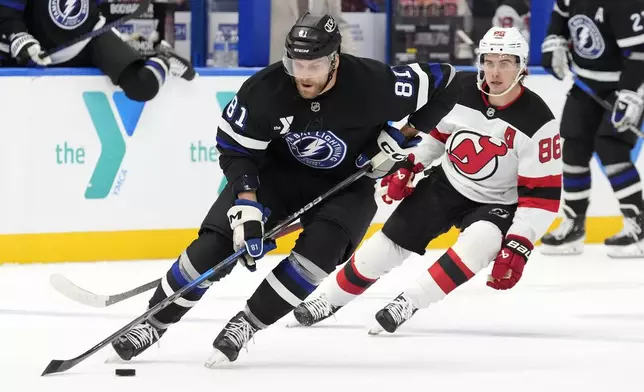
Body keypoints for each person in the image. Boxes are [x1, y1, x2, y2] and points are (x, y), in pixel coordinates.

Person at [109, 13, 460, 364]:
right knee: (212, 248)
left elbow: (449, 82)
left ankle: (247, 323)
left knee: (321, 252)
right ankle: (153, 323)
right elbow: (235, 148)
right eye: (296, 64)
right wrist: (247, 201)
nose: (303, 75)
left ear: (334, 59)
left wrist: (404, 136)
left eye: (315, 65)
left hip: (347, 185)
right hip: (276, 178)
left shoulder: (374, 83)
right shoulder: (265, 89)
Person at [291, 26, 562, 335]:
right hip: (448, 185)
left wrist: (518, 246)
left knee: (481, 242)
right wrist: (411, 164)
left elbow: (542, 198)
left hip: (497, 202)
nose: (495, 72)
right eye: (489, 61)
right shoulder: (461, 89)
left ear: (522, 66)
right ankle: (329, 299)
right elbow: (436, 136)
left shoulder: (538, 121)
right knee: (385, 245)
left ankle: (409, 301)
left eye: (505, 63)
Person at [540, 0, 644, 257]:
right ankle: (574, 223)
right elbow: (560, 16)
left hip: (625, 85)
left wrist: (632, 95)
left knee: (611, 148)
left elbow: (641, 55)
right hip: (586, 83)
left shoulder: (627, 4)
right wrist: (556, 38)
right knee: (574, 145)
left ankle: (639, 224)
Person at [0, 0, 195, 102]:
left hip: (89, 37)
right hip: (42, 46)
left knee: (142, 86)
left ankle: (164, 60)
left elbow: (99, 7)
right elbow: (8, 12)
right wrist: (20, 38)